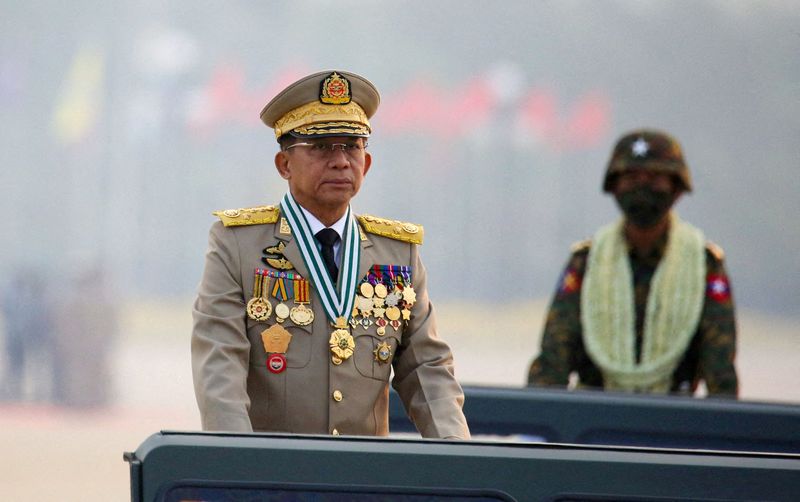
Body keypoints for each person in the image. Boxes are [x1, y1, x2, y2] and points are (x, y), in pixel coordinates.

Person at [191, 70, 470, 438]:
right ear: (284, 165)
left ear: (366, 164)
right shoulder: (239, 245)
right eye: (322, 147)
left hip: (363, 479)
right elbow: (220, 366)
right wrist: (241, 465)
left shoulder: (398, 252)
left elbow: (427, 369)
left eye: (352, 146)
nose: (340, 161)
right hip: (275, 476)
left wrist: (455, 459)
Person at [527, 129, 738, 397]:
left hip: (675, 420)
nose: (642, 187)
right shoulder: (588, 262)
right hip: (592, 421)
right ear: (614, 186)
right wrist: (539, 426)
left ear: (676, 187)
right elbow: (553, 359)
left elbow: (720, 370)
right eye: (631, 178)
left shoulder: (703, 266)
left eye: (654, 178)